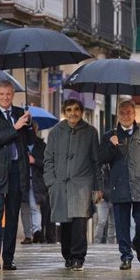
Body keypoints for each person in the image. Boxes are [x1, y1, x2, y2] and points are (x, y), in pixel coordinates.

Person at [98, 100, 140, 270]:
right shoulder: (109, 136)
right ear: (118, 115)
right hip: (119, 186)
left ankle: (139, 245)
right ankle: (126, 256)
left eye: (129, 112)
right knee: (121, 224)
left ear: (135, 114)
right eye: (122, 113)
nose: (126, 116)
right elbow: (101, 159)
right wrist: (112, 146)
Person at [44, 99, 99, 271]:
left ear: (82, 112)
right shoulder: (55, 132)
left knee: (79, 221)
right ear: (64, 112)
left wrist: (97, 187)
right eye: (69, 110)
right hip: (60, 184)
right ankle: (67, 255)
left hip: (82, 183)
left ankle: (78, 257)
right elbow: (48, 159)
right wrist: (51, 182)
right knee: (65, 223)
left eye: (76, 109)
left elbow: (96, 161)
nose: (73, 113)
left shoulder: (90, 132)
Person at [0, 80, 31, 270]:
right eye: (1, 94)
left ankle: (8, 258)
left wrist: (28, 124)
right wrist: (15, 128)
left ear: (12, 95)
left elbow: (30, 141)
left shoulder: (20, 114)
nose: (5, 97)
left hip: (17, 170)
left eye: (8, 94)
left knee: (12, 215)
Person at [20, 122, 51, 244]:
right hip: (23, 181)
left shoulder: (42, 146)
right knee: (24, 208)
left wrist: (34, 161)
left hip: (36, 182)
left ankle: (37, 231)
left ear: (37, 129)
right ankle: (28, 235)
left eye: (33, 127)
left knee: (34, 206)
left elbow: (47, 164)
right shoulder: (20, 144)